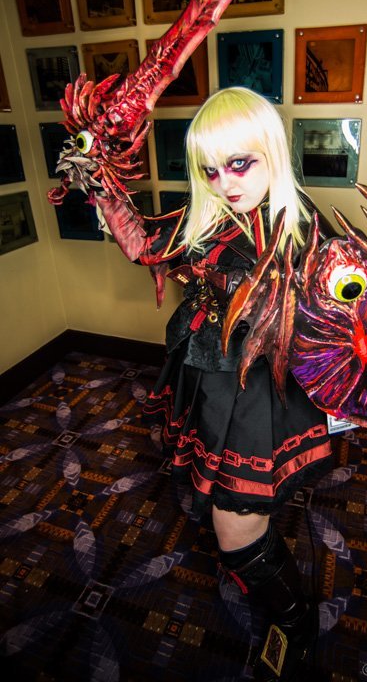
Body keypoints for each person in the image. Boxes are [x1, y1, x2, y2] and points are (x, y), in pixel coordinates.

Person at [97, 86, 335, 680]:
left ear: (270, 150)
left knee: (236, 529)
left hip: (258, 395)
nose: (224, 183)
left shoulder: (302, 229)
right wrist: (101, 181)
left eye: (239, 163)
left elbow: (344, 323)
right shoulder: (214, 214)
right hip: (209, 379)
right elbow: (149, 246)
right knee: (230, 507)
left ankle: (297, 624)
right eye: (210, 169)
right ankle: (286, 609)